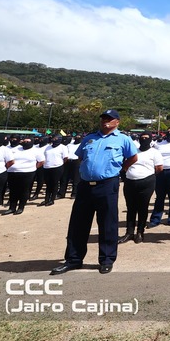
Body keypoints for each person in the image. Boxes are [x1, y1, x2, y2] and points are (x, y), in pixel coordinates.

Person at [51, 109, 137, 275]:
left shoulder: (123, 139)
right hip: (85, 185)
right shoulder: (89, 138)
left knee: (107, 223)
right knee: (78, 223)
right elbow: (81, 157)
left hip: (107, 184)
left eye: (110, 119)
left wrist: (121, 170)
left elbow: (133, 157)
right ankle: (74, 259)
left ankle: (106, 259)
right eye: (104, 118)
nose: (106, 121)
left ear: (117, 122)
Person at [119, 131, 162, 244]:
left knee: (143, 207)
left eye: (146, 138)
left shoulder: (155, 152)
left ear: (150, 140)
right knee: (131, 208)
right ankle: (129, 232)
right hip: (130, 182)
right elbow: (125, 164)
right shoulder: (133, 151)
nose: (144, 139)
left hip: (146, 182)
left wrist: (147, 175)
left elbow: (159, 168)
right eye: (141, 138)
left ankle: (140, 232)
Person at [6, 136, 43, 215]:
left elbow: (41, 161)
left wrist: (33, 168)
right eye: (24, 141)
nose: (25, 143)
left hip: (27, 173)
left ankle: (21, 207)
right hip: (13, 172)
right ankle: (12, 207)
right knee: (13, 190)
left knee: (24, 190)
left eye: (27, 141)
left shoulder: (36, 151)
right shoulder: (16, 149)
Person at [41, 135, 68, 206]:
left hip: (57, 167)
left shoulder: (63, 147)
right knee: (48, 184)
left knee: (54, 183)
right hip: (47, 167)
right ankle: (46, 199)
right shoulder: (47, 147)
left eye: (55, 138)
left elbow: (65, 158)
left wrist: (59, 163)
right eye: (53, 138)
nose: (53, 139)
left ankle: (52, 199)